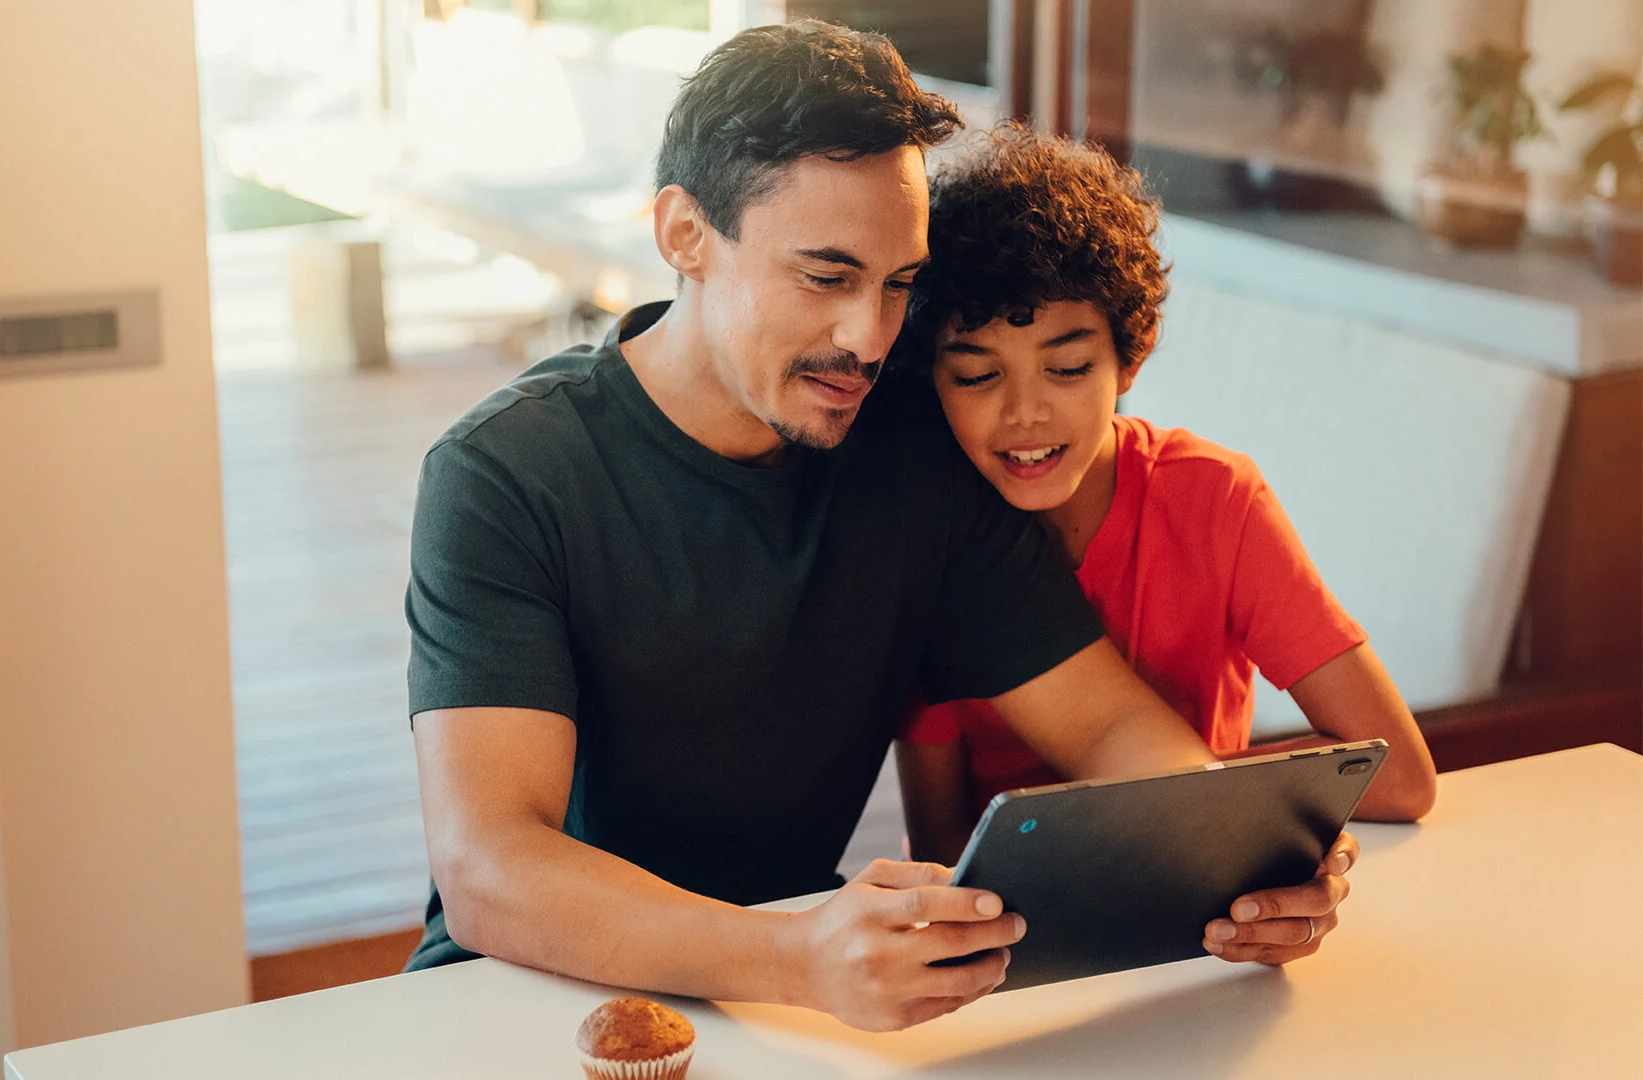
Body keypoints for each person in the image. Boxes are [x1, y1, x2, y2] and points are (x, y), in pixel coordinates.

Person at [405, 22, 1359, 1034]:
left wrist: (1242, 863)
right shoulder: (505, 475)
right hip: (526, 998)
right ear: (684, 234)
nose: (869, 339)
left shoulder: (912, 455)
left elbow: (1107, 724)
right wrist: (792, 957)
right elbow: (490, 866)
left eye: (900, 285)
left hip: (781, 1002)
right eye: (826, 277)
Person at [896, 123, 1436, 874]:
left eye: (1069, 368)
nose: (1025, 414)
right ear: (931, 379)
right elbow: (939, 846)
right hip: (1014, 922)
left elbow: (1403, 776)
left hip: (1200, 872)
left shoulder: (1216, 501)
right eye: (978, 376)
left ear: (1130, 358)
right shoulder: (925, 534)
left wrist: (1201, 799)